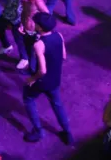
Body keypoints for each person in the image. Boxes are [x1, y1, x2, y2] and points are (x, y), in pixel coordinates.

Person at [22, 12, 74, 145]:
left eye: (35, 23)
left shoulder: (39, 45)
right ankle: (67, 133)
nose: (33, 24)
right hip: (55, 79)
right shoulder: (59, 35)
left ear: (39, 27)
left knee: (28, 98)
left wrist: (32, 79)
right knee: (57, 104)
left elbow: (42, 70)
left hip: (42, 81)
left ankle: (38, 131)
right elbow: (63, 55)